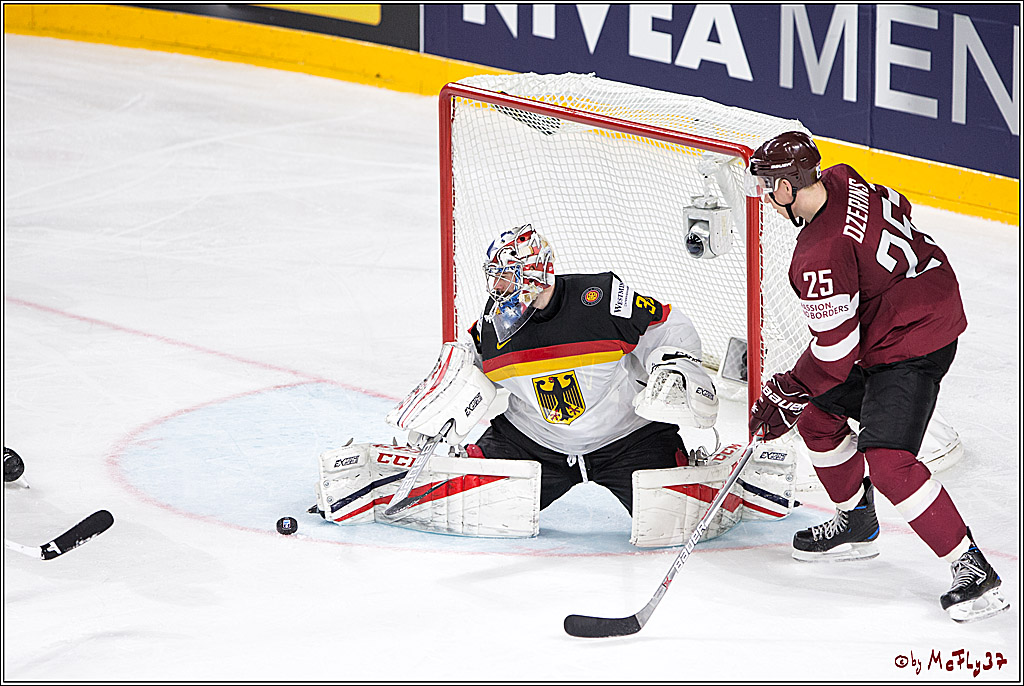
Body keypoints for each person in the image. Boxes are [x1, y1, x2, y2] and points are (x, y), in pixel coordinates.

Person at [746, 131, 1008, 623]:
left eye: (768, 187)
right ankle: (856, 521)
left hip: (914, 341)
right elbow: (902, 208)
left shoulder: (815, 257)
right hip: (918, 304)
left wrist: (788, 389)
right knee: (818, 417)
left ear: (785, 187)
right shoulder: (844, 178)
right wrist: (800, 395)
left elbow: (834, 355)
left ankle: (972, 570)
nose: (767, 198)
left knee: (888, 459)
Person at [463, 223, 719, 514]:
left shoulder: (602, 299)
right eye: (495, 276)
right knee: (477, 507)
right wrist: (445, 397)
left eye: (507, 275)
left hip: (627, 438)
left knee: (677, 515)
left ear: (537, 273)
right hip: (532, 440)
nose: (497, 286)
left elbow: (668, 326)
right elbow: (469, 368)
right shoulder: (495, 323)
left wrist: (673, 366)